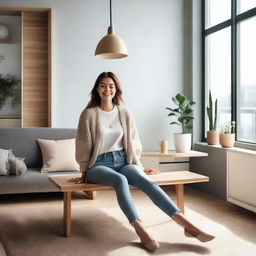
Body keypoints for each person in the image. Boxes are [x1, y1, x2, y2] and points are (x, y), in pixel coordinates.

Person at [69, 72, 215, 252]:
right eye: (103, 85)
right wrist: (84, 171)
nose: (107, 89)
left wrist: (138, 166)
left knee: (146, 181)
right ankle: (140, 228)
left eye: (111, 86)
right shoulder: (89, 114)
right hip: (98, 165)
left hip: (123, 160)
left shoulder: (124, 112)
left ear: (116, 90)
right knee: (120, 180)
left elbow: (134, 141)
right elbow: (83, 144)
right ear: (97, 90)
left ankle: (185, 223)